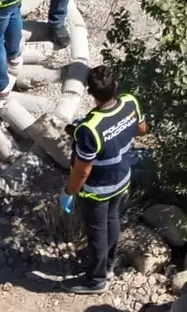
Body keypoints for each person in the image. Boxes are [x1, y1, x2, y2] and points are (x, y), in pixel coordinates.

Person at [57, 65, 148, 294]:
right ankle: (108, 267)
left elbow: (82, 172)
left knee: (97, 231)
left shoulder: (89, 129)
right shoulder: (130, 102)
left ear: (90, 93)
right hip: (122, 178)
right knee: (112, 220)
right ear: (115, 86)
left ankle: (96, 280)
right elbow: (142, 129)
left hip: (97, 189)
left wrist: (68, 192)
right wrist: (118, 135)